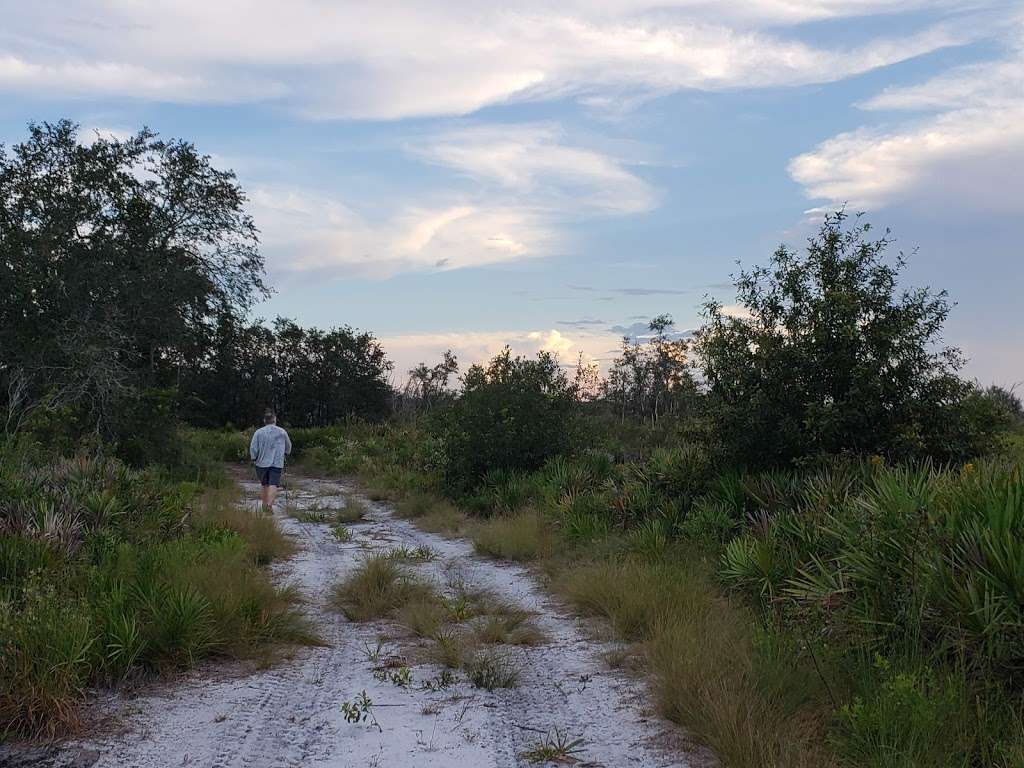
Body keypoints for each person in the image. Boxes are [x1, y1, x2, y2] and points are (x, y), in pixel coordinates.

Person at [250, 409, 292, 514]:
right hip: (277, 462)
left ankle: (264, 506)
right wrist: (286, 453)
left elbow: (253, 448)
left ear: (264, 420)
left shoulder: (258, 432)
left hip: (261, 463)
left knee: (264, 484)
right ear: (274, 419)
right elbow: (288, 446)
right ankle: (269, 505)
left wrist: (253, 458)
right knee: (274, 484)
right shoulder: (282, 432)